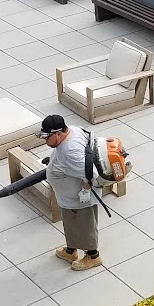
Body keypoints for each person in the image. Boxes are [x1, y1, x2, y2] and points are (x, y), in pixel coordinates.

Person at [41, 114, 102, 271]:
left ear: (58, 134)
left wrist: (84, 193)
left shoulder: (69, 152)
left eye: (47, 137)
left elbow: (91, 174)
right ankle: (71, 250)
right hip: (69, 197)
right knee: (71, 223)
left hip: (79, 199)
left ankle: (93, 256)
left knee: (84, 225)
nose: (45, 140)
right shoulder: (73, 130)